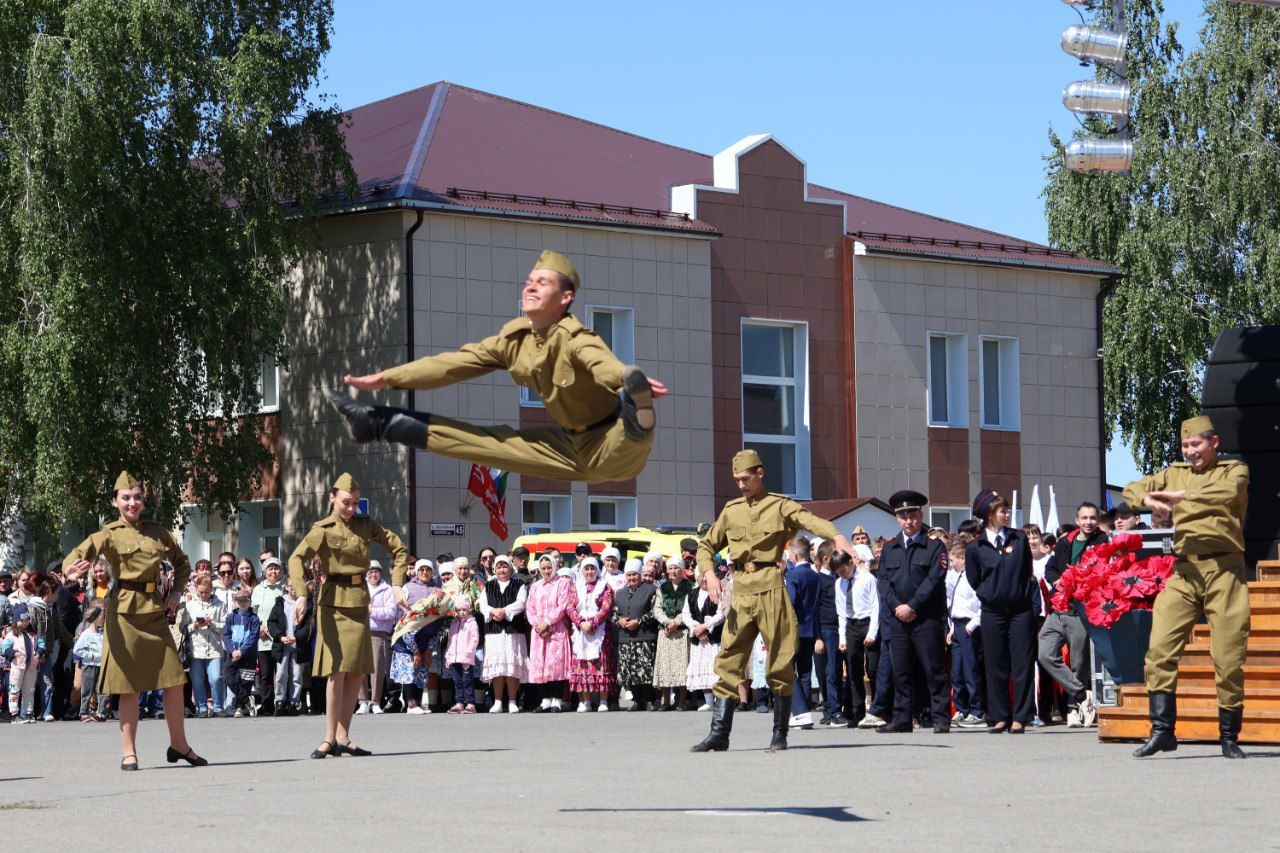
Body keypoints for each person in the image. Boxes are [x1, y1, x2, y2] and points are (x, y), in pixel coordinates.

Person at [327, 250, 666, 485]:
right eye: (528, 281)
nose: (530, 286)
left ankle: (639, 419)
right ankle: (376, 422)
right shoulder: (513, 341)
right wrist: (387, 378)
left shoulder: (575, 336)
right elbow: (452, 364)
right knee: (491, 445)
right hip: (567, 446)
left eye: (542, 283)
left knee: (620, 444)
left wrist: (626, 379)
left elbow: (601, 363)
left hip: (611, 437)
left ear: (566, 298)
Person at [691, 449, 853, 753]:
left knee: (779, 660)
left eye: (745, 478)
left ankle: (780, 731)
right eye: (737, 480)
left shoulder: (779, 506)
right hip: (740, 592)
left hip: (771, 589)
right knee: (728, 658)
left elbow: (809, 520)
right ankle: (719, 733)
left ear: (760, 472)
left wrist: (836, 537)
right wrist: (710, 574)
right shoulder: (732, 510)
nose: (741, 484)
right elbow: (705, 545)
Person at [1125, 415, 1251, 759]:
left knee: (1228, 658)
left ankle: (1229, 736)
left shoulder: (1234, 471)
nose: (1190, 451)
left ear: (1215, 443)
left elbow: (1226, 493)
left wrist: (1181, 496)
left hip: (1224, 571)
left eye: (1196, 444)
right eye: (1185, 446)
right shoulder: (1173, 472)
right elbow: (1132, 488)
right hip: (1184, 572)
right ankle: (1162, 730)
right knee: (1159, 649)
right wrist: (1146, 501)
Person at [61, 472, 205, 769]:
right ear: (116, 502)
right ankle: (129, 751)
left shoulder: (157, 532)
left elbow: (182, 562)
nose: (132, 503)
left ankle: (179, 745)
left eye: (137, 497)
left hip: (154, 612)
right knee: (130, 686)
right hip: (124, 613)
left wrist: (176, 592)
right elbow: (77, 554)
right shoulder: (109, 533)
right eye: (126, 498)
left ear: (143, 500)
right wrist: (71, 570)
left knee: (175, 681)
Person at [287, 472, 410, 759]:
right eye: (346, 502)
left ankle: (343, 736)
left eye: (355, 503)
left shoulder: (366, 525)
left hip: (358, 601)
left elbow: (399, 549)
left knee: (356, 669)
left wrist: (397, 584)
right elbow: (296, 557)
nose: (352, 508)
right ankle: (329, 737)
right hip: (331, 603)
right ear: (332, 498)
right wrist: (302, 593)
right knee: (336, 670)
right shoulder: (323, 528)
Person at [876, 489, 953, 735]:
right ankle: (902, 719)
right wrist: (898, 607)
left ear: (921, 515)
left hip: (925, 619)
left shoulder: (934, 547)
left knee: (933, 669)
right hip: (898, 619)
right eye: (903, 516)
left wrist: (912, 606)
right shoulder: (890, 548)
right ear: (897, 518)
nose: (908, 521)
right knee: (901, 671)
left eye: (913, 515)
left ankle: (941, 718)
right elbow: (884, 583)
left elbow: (933, 581)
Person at [965, 490, 1037, 735]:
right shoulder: (976, 547)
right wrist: (989, 594)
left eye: (1007, 510)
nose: (1007, 514)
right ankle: (999, 716)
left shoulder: (1018, 538)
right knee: (995, 664)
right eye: (1002, 511)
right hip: (992, 611)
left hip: (1020, 610)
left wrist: (1022, 593)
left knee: (1022, 663)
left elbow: (1027, 570)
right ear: (989, 515)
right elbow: (975, 579)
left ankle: (1021, 716)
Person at [1040, 503, 1107, 729]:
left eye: (1093, 518)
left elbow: (1098, 572)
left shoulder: (1102, 542)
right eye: (1084, 518)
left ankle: (1073, 709)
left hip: (1081, 611)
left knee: (1080, 664)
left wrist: (1075, 582)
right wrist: (1057, 580)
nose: (1089, 521)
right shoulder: (1064, 542)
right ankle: (1082, 696)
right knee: (1045, 654)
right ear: (1077, 520)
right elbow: (1050, 568)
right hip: (1058, 609)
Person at [945, 537, 986, 728]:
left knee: (971, 670)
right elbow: (956, 605)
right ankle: (962, 709)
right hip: (958, 626)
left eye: (952, 560)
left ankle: (977, 711)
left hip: (970, 627)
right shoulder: (958, 577)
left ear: (962, 557)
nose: (951, 564)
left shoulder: (972, 577)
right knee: (957, 672)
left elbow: (981, 604)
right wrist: (953, 628)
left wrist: (972, 625)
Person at [835, 545, 878, 728]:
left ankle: (878, 709)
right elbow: (842, 612)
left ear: (851, 562)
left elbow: (876, 607)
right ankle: (857, 710)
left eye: (844, 570)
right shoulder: (839, 583)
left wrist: (872, 633)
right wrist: (842, 639)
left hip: (867, 622)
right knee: (854, 670)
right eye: (838, 573)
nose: (843, 575)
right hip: (852, 625)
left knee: (873, 668)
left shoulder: (868, 579)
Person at [481, 555, 529, 713]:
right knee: (498, 667)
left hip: (513, 630)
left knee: (512, 666)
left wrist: (505, 611)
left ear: (510, 568)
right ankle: (498, 701)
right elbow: (483, 605)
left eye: (505, 566)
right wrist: (492, 611)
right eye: (499, 567)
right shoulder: (488, 586)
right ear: (494, 569)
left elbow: (521, 602)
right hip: (494, 632)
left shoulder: (519, 584)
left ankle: (513, 701)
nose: (502, 570)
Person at [566, 557, 615, 711]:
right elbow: (569, 606)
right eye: (586, 569)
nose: (589, 572)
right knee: (582, 664)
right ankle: (585, 701)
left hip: (598, 629)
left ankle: (603, 701)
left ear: (597, 570)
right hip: (581, 630)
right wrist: (580, 622)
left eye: (592, 569)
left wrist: (593, 623)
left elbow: (606, 607)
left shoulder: (605, 587)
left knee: (601, 664)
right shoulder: (576, 587)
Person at [784, 536, 822, 729]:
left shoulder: (792, 576)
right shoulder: (816, 575)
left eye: (790, 552)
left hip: (794, 629)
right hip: (810, 629)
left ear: (796, 553)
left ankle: (800, 712)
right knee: (805, 672)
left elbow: (789, 602)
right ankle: (805, 713)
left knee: (789, 669)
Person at [526, 554, 572, 712]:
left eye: (549, 567)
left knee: (556, 665)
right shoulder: (535, 586)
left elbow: (563, 605)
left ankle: (556, 700)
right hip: (539, 632)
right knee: (541, 663)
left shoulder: (563, 583)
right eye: (543, 568)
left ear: (555, 566)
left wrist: (547, 622)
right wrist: (538, 624)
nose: (546, 571)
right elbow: (529, 607)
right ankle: (545, 699)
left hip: (556, 629)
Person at [613, 558, 658, 711]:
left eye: (635, 575)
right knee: (630, 670)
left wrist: (639, 621)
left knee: (646, 669)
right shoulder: (620, 593)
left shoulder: (650, 590)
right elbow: (613, 613)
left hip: (644, 635)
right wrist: (620, 620)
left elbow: (654, 611)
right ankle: (637, 700)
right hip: (626, 637)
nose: (632, 578)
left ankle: (650, 699)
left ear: (640, 574)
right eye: (629, 575)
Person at [652, 556, 694, 711]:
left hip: (682, 631)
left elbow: (689, 608)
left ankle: (682, 700)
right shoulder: (662, 588)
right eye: (670, 568)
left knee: (682, 666)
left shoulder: (690, 587)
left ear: (681, 569)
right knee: (665, 665)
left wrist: (676, 621)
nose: (673, 571)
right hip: (666, 631)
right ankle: (666, 701)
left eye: (676, 567)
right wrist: (666, 622)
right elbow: (657, 608)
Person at [683, 568, 728, 711]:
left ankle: (720, 701)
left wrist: (706, 626)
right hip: (698, 639)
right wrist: (696, 628)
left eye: (706, 577)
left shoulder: (718, 593)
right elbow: (686, 614)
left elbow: (721, 614)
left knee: (715, 668)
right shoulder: (691, 594)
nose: (704, 580)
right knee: (701, 668)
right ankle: (709, 701)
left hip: (714, 637)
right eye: (701, 577)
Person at [812, 542, 846, 727]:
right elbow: (814, 610)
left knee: (836, 670)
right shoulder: (818, 580)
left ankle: (835, 708)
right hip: (826, 629)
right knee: (829, 671)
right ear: (826, 559)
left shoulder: (839, 577)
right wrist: (817, 636)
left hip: (840, 627)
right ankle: (832, 711)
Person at [357, 561, 397, 715]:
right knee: (360, 668)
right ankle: (362, 701)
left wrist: (372, 611)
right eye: (370, 572)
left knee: (377, 668)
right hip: (360, 631)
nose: (373, 575)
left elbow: (391, 612)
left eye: (376, 572)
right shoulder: (360, 588)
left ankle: (375, 701)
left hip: (379, 632)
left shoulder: (387, 589)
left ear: (381, 573)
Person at [183, 577, 227, 718]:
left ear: (211, 590)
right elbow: (182, 628)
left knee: (215, 678)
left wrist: (211, 623)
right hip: (196, 648)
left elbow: (225, 627)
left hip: (214, 648)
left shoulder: (220, 604)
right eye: (201, 592)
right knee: (197, 680)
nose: (204, 595)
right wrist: (194, 626)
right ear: (196, 589)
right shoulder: (189, 605)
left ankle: (218, 706)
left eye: (207, 592)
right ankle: (201, 707)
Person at [267, 579, 309, 716]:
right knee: (280, 675)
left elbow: (309, 626)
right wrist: (280, 637)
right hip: (282, 645)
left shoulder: (306, 604)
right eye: (291, 586)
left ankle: (294, 701)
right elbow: (272, 623)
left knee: (297, 675)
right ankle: (280, 701)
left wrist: (297, 637)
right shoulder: (280, 603)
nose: (294, 589)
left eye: (297, 586)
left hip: (298, 645)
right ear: (286, 587)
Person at [251, 556, 286, 715]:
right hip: (263, 638)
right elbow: (253, 613)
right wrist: (259, 627)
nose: (273, 571)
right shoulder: (258, 589)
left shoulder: (285, 587)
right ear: (264, 572)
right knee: (265, 674)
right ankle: (266, 705)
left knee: (281, 674)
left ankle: (281, 704)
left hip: (281, 638)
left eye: (276, 568)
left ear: (281, 571)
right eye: (270, 569)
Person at [222, 589, 260, 717]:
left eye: (245, 600)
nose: (243, 603)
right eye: (240, 600)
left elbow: (253, 638)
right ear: (235, 601)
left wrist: (241, 651)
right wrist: (232, 651)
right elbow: (226, 635)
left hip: (248, 655)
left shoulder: (254, 618)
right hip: (232, 654)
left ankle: (240, 706)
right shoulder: (231, 617)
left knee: (246, 681)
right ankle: (247, 700)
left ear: (250, 602)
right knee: (228, 677)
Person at [445, 600, 480, 713]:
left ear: (469, 609)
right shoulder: (454, 623)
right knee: (457, 681)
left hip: (466, 659)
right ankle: (459, 702)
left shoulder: (472, 623)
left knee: (467, 681)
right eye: (459, 610)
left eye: (464, 609)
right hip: (455, 658)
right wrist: (448, 656)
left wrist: (467, 653)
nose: (461, 612)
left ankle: (470, 703)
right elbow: (450, 640)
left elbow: (474, 639)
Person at [73, 605, 107, 722]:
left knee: (102, 689)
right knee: (87, 689)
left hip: (101, 665)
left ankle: (101, 713)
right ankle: (83, 712)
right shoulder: (86, 634)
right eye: (102, 616)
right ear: (95, 618)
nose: (103, 619)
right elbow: (77, 649)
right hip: (89, 665)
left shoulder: (103, 634)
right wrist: (91, 655)